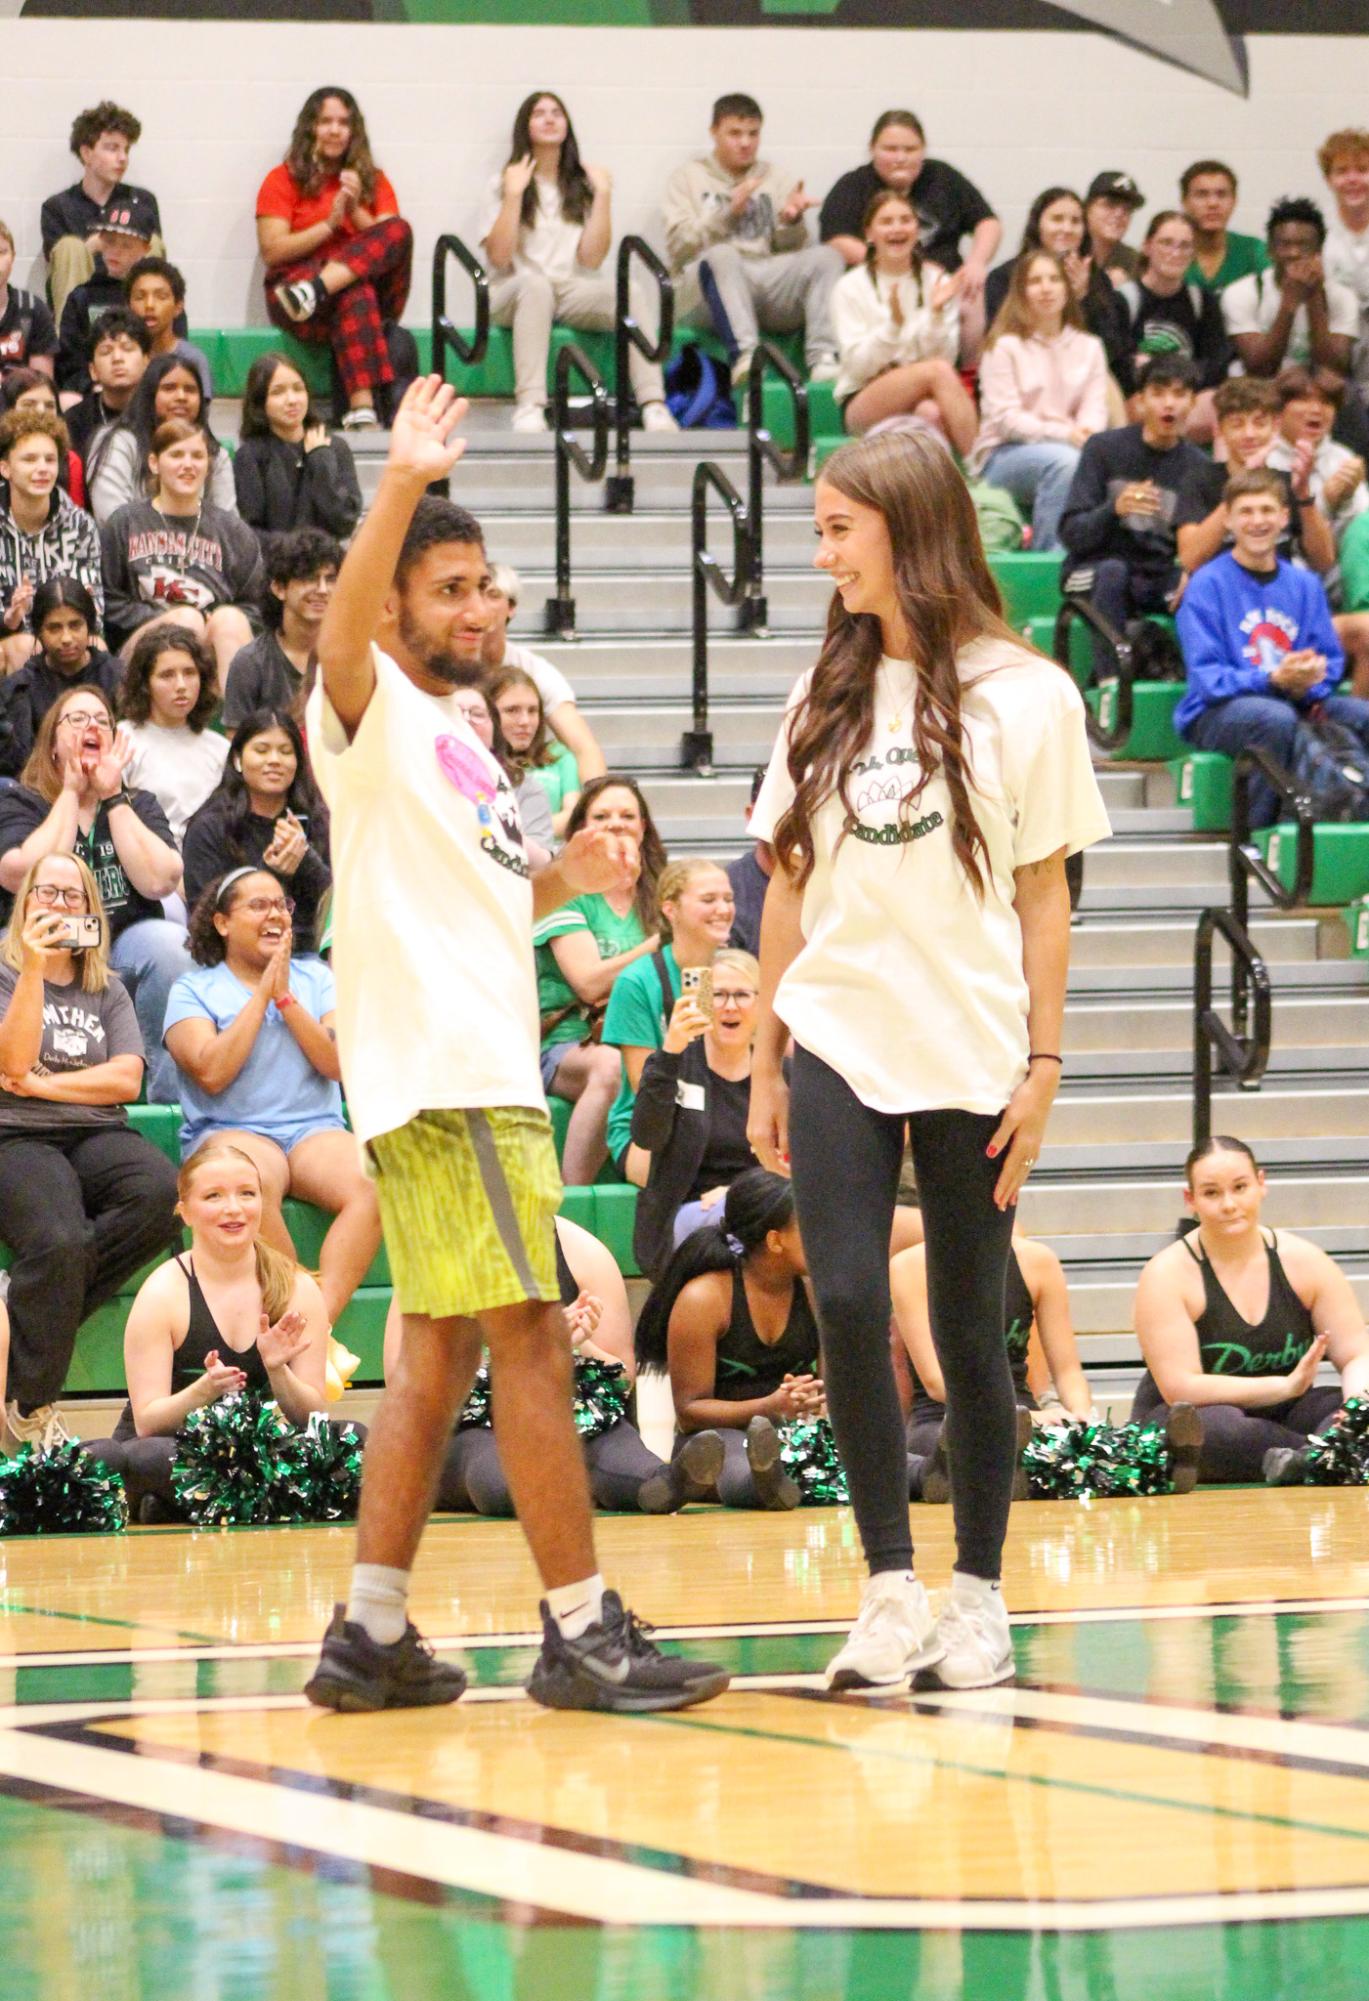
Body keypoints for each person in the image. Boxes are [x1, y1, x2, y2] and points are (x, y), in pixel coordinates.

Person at [301, 373, 728, 1714]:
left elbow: (492, 893)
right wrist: (399, 486)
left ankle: (369, 1633)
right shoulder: (364, 711)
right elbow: (338, 644)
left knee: (437, 1350)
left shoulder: (464, 743)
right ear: (395, 609)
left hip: (456, 1065)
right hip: (452, 1076)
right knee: (535, 1337)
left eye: (488, 585)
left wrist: (573, 875)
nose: (479, 607)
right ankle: (582, 1627)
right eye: (448, 587)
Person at [747, 428, 1110, 1692]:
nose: (821, 552)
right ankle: (887, 1589)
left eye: (838, 527)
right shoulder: (821, 695)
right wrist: (764, 1056)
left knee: (968, 1328)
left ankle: (978, 1599)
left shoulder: (1028, 694)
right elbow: (787, 884)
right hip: (841, 1036)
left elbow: (1045, 895)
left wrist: (1047, 1061)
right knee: (846, 1299)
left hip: (977, 1050)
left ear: (907, 525)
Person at [0, 850, 178, 1450]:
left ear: (90, 909)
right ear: (26, 904)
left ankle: (30, 1300)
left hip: (94, 1127)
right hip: (16, 1131)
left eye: (72, 896)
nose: (58, 905)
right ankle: (29, 1406)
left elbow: (127, 1078)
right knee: (60, 1242)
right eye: (46, 894)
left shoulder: (108, 987)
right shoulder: (3, 970)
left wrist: (46, 1085)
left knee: (159, 1192)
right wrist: (32, 968)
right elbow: (11, 1065)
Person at [165, 869, 381, 1326]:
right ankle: (296, 1308)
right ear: (222, 923)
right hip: (230, 1128)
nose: (275, 915)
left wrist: (285, 999)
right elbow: (211, 1072)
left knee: (375, 1177)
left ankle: (318, 1319)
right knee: (247, 1181)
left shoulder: (316, 979)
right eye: (259, 905)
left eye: (281, 905)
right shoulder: (192, 989)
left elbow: (339, 1064)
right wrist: (261, 994)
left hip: (313, 1131)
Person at [422, 1215, 722, 1518]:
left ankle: (667, 1483)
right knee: (492, 1470)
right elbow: (408, 1380)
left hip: (570, 1411)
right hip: (475, 1424)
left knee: (616, 1446)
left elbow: (622, 1380)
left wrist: (576, 1344)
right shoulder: (439, 1256)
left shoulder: (584, 1254)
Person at [105, 1140, 332, 1521]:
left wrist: (278, 1371)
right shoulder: (163, 1293)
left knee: (353, 1437)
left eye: (247, 1194)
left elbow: (312, 1416)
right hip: (174, 1446)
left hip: (254, 1450)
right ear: (185, 1211)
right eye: (213, 1196)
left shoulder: (297, 1288)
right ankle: (188, 1499)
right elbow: (148, 1422)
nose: (234, 1208)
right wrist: (203, 1391)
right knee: (143, 1458)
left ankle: (179, 1505)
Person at [1132, 1135, 1369, 1484]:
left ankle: (1306, 1459)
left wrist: (1355, 1411)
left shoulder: (1305, 1261)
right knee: (1212, 1430)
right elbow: (1181, 1388)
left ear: (1261, 1184)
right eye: (1212, 1193)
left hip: (1285, 1414)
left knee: (1350, 1408)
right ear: (1191, 1200)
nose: (1229, 1204)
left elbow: (1356, 1355)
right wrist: (1284, 1386)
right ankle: (1326, 1457)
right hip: (1196, 1414)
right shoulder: (1167, 1273)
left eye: (1240, 1187)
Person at [0, 682, 186, 1100]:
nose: (93, 726)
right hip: (40, 946)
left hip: (123, 940)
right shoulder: (24, 802)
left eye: (103, 720)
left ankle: (164, 1104)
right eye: (78, 719)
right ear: (52, 744)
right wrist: (69, 793)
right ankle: (17, 1092)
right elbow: (17, 874)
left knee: (171, 946)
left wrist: (112, 796)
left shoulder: (138, 802)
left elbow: (159, 880)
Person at [1175, 469, 1369, 826]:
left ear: (1283, 518)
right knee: (1272, 718)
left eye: (1267, 511)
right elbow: (1207, 680)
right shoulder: (1206, 585)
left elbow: (1330, 660)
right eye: (1246, 512)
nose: (1257, 521)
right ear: (1229, 521)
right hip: (1217, 711)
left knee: (1361, 715)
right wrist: (1272, 679)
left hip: (1291, 698)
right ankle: (1258, 834)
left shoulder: (1305, 584)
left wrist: (1310, 681)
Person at [481, 91, 674, 436]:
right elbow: (499, 256)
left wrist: (602, 195)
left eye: (557, 112)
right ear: (525, 126)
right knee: (535, 285)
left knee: (628, 291)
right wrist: (513, 196)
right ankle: (530, 405)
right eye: (539, 113)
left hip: (569, 289)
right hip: (515, 289)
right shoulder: (504, 182)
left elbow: (592, 258)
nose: (550, 118)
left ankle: (653, 403)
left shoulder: (580, 187)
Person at [635, 1168, 821, 1512]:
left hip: (796, 1431)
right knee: (736, 1456)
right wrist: (769, 1407)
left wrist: (814, 1401)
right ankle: (765, 1484)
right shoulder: (705, 1298)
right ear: (775, 1240)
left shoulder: (814, 1293)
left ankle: (926, 1471)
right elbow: (690, 1412)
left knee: (870, 1451)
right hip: (719, 1437)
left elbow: (833, 1386)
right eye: (810, 1227)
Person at [892, 1231, 1099, 1502]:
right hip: (944, 1418)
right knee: (974, 1447)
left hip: (1025, 1419)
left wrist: (1081, 1418)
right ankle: (937, 1473)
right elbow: (936, 1382)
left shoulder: (1038, 1261)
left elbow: (1068, 1371)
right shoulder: (908, 1266)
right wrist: (1012, 1416)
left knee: (1093, 1461)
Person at [256, 86, 413, 431]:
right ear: (310, 127)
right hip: (292, 295)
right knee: (355, 291)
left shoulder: (373, 180)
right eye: (325, 121)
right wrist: (328, 225)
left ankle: (317, 288)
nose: (334, 130)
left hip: (331, 296)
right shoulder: (281, 179)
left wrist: (354, 209)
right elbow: (273, 250)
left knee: (399, 231)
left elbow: (392, 244)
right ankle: (361, 410)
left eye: (343, 122)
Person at [663, 92, 843, 387]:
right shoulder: (688, 177)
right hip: (703, 291)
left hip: (761, 275)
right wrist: (727, 213)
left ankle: (823, 358)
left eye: (753, 134)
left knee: (827, 256)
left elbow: (794, 250)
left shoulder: (776, 177)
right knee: (723, 255)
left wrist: (792, 221)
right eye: (734, 133)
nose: (745, 143)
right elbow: (678, 247)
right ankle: (746, 357)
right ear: (714, 133)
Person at [534, 790, 662, 1187]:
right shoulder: (566, 895)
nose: (616, 823)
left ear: (643, 826)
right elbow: (588, 982)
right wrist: (660, 945)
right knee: (611, 1066)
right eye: (602, 815)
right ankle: (574, 1200)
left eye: (628, 814)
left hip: (651, 1037)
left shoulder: (662, 896)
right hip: (568, 1044)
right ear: (580, 831)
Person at [1059, 356, 1212, 668]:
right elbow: (1072, 533)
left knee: (1203, 586)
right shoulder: (1103, 449)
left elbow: (1202, 543)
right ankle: (1111, 683)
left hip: (1153, 575)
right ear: (1140, 401)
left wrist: (1194, 574)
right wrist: (1114, 509)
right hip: (1090, 570)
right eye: (1158, 394)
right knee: (1113, 572)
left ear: (1193, 402)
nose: (1169, 404)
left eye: (1180, 395)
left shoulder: (1199, 468)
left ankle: (1196, 680)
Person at [819, 109, 999, 363]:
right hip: (882, 283)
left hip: (943, 284)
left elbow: (988, 222)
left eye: (910, 149)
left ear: (923, 151)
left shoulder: (943, 177)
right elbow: (836, 239)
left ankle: (970, 381)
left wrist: (976, 263)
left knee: (974, 294)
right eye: (890, 149)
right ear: (872, 149)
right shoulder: (853, 185)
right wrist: (902, 265)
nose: (900, 158)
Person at [630, 946, 762, 1278]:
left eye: (742, 995)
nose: (730, 1006)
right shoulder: (676, 1067)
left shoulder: (778, 1076)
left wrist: (737, 1194)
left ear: (761, 1004)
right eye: (717, 995)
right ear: (701, 1000)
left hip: (757, 1208)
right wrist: (671, 1050)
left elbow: (797, 1162)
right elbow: (647, 1135)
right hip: (686, 1211)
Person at [601, 856, 735, 1183]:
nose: (723, 909)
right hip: (651, 1131)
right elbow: (644, 1088)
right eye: (708, 900)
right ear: (670, 910)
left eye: (728, 899)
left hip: (725, 1120)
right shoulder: (637, 981)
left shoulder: (739, 972)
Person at [100, 417, 262, 684]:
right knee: (186, 621)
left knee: (230, 620)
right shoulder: (125, 522)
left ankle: (235, 723)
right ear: (154, 463)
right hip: (142, 650)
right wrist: (170, 618)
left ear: (208, 465)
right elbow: (109, 602)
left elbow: (255, 607)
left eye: (197, 456)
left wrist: (211, 621)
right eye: (176, 455)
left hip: (213, 646)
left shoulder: (233, 530)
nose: (188, 465)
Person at [971, 250, 1108, 553]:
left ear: (1067, 288)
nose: (1046, 288)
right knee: (1065, 463)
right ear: (1021, 292)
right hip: (1004, 456)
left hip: (1073, 447)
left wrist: (1085, 434)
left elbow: (1094, 408)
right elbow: (1006, 420)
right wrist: (1066, 435)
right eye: (1035, 281)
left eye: (1054, 279)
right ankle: (1050, 559)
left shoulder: (1090, 346)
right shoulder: (1003, 346)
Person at [830, 190, 977, 453]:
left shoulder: (937, 282)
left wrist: (935, 314)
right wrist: (893, 327)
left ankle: (934, 490)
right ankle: (982, 468)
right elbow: (857, 367)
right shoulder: (849, 287)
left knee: (931, 413)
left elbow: (943, 355)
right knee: (938, 371)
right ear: (869, 234)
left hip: (923, 394)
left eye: (905, 220)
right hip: (864, 397)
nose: (897, 228)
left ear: (917, 230)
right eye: (886, 222)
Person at [182, 709, 331, 949]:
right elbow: (205, 920)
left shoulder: (318, 820)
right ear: (238, 760)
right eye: (261, 750)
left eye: (286, 752)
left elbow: (339, 908)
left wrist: (306, 860)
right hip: (236, 958)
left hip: (311, 954)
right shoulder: (209, 826)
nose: (274, 760)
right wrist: (272, 873)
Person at [982, 187, 1132, 397]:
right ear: (1038, 225)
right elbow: (1000, 341)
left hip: (1084, 381)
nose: (1066, 228)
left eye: (1075, 221)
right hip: (1025, 381)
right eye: (1057, 219)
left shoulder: (1097, 279)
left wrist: (1082, 298)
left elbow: (1109, 350)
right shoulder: (1005, 277)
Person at [480, 562, 606, 785]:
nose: (482, 605)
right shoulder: (443, 666)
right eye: (477, 595)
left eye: (493, 595)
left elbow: (584, 748)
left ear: (511, 607)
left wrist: (595, 803)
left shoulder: (534, 670)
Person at [0, 408, 104, 673]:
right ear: (5, 467)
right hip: (9, 640)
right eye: (30, 459)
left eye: (50, 459)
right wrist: (8, 619)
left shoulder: (80, 525)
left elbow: (95, 611)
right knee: (24, 646)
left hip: (66, 636)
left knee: (97, 647)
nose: (42, 468)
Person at [41, 102, 164, 322]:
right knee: (70, 247)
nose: (123, 158)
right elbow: (60, 268)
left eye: (126, 149)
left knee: (152, 242)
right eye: (112, 148)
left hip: (130, 295)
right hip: (83, 298)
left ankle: (151, 339)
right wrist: (105, 244)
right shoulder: (58, 207)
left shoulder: (142, 202)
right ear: (87, 153)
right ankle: (68, 344)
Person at [1116, 211, 1231, 440]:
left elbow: (1216, 362)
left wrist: (1182, 387)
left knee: (1214, 404)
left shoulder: (1202, 302)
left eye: (1184, 246)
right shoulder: (1123, 300)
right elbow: (1117, 362)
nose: (1175, 253)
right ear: (1147, 247)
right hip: (1139, 399)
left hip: (1186, 399)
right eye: (1166, 243)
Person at [88, 351, 236, 527]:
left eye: (190, 390)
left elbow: (229, 526)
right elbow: (112, 517)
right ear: (150, 395)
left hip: (200, 548)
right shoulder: (119, 442)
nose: (181, 397)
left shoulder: (215, 454)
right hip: (133, 548)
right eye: (169, 388)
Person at [1222, 198, 1359, 383]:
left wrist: (1314, 298)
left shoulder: (1342, 298)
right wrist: (1289, 302)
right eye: (1285, 244)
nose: (1294, 253)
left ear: (1319, 248)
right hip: (1260, 391)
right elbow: (1260, 369)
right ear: (1270, 248)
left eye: (1303, 245)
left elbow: (1333, 369)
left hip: (1317, 393)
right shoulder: (1243, 292)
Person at [115, 626, 229, 845]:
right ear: (145, 683)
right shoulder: (123, 739)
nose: (181, 686)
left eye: (189, 673)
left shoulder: (220, 748)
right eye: (167, 675)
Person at [0, 578, 118, 780]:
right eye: (54, 628)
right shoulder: (20, 687)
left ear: (89, 625)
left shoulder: (117, 677)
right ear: (38, 631)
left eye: (75, 625)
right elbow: (20, 765)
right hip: (41, 793)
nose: (66, 638)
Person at [221, 528, 341, 729]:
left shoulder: (349, 656)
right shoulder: (250, 662)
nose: (322, 590)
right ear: (279, 588)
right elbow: (239, 747)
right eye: (310, 578)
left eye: (330, 579)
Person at [234, 353, 360, 540]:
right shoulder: (250, 455)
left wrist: (320, 459)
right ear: (260, 402)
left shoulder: (335, 448)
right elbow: (251, 533)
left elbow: (345, 520)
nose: (292, 400)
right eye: (278, 392)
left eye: (298, 389)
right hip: (276, 564)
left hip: (329, 563)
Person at [55, 192, 156, 402]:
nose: (114, 252)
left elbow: (169, 349)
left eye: (126, 245)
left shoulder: (158, 299)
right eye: (109, 242)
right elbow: (69, 362)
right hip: (95, 390)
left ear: (145, 248)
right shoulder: (82, 297)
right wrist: (94, 383)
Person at [448, 680, 554, 865]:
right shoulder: (420, 774)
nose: (466, 721)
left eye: (477, 714)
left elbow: (542, 864)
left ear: (494, 730)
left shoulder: (524, 786)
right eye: (456, 713)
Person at [488, 665, 581, 835]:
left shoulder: (559, 755)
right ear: (489, 712)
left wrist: (520, 832)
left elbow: (573, 816)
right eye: (512, 710)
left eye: (532, 711)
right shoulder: (478, 760)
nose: (525, 721)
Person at [62, 307, 149, 465]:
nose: (117, 358)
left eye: (127, 348)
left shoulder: (160, 412)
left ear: (146, 362)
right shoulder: (74, 421)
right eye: (106, 351)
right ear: (93, 370)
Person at [1319, 129, 1369, 392]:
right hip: (1337, 356)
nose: (1353, 179)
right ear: (1329, 179)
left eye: (1362, 169)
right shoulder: (1319, 236)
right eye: (1342, 171)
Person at [124, 257, 213, 400]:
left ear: (178, 306)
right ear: (128, 306)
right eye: (140, 297)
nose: (149, 305)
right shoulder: (122, 358)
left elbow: (200, 416)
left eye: (161, 296)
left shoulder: (193, 359)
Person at [1180, 160, 1269, 294]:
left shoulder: (1254, 251)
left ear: (1234, 201)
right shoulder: (1170, 251)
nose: (1213, 203)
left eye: (1221, 194)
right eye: (1202, 195)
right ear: (1185, 202)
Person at [2, 368, 87, 506]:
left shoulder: (71, 462)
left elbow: (76, 514)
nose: (41, 412)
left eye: (49, 406)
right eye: (29, 405)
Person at [0, 221, 58, 384]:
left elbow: (42, 384)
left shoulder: (33, 309)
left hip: (19, 403)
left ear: (12, 258)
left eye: (1, 252)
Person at [1083, 171, 1145, 281]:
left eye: (1127, 209)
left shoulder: (1137, 264)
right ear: (1087, 208)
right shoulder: (1069, 253)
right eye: (1110, 204)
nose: (1119, 214)